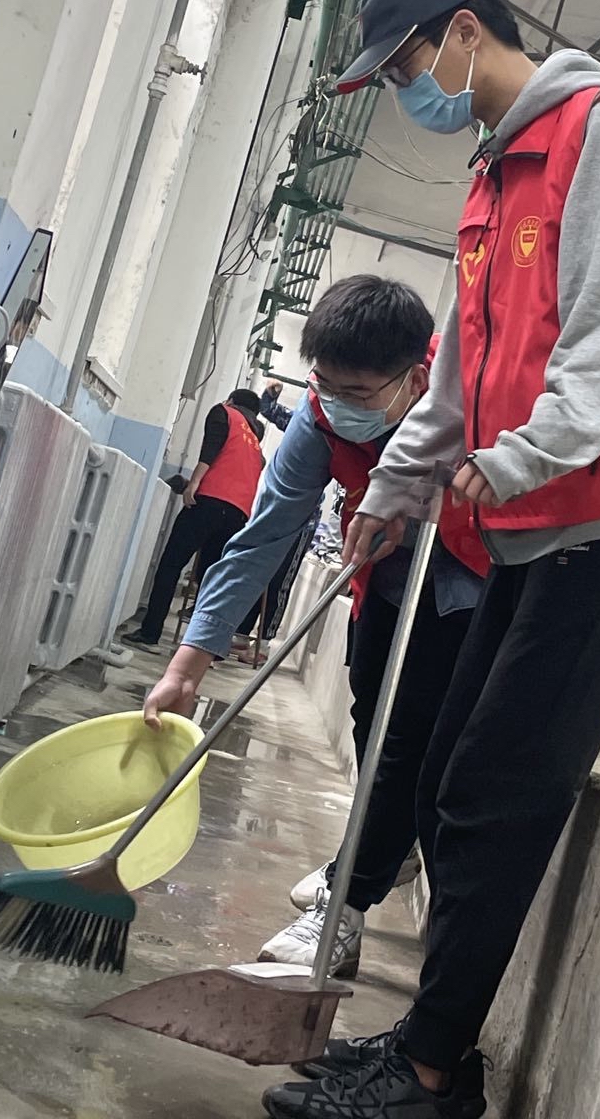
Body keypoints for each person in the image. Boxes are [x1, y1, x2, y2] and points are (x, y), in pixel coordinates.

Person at [262, 0, 600, 1119]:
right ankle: (428, 1043)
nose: (408, 91)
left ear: (466, 32)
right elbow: (458, 384)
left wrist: (513, 461)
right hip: (534, 517)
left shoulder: (595, 132)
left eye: (407, 65)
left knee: (495, 791)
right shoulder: (491, 180)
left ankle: (430, 1077)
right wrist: (389, 492)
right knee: (446, 779)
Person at [144, 275, 488, 999]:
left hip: (468, 578)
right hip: (382, 576)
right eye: (324, 385)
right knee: (373, 718)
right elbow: (260, 540)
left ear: (414, 380)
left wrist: (425, 500)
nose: (336, 405)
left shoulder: (473, 392)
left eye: (356, 393)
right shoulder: (319, 420)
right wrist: (187, 666)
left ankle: (344, 907)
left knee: (411, 738)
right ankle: (386, 849)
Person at [127, 389, 265, 647]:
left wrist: (193, 484)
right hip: (237, 514)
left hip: (208, 503)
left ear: (231, 401)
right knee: (210, 581)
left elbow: (210, 451)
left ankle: (150, 633)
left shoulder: (224, 413)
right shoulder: (255, 439)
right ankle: (198, 645)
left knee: (171, 565)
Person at [232, 383, 324, 660]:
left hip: (304, 520)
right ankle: (241, 634)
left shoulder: (331, 434)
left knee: (280, 581)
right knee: (259, 573)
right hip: (277, 511)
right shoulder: (303, 423)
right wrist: (270, 394)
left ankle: (264, 643)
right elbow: (270, 410)